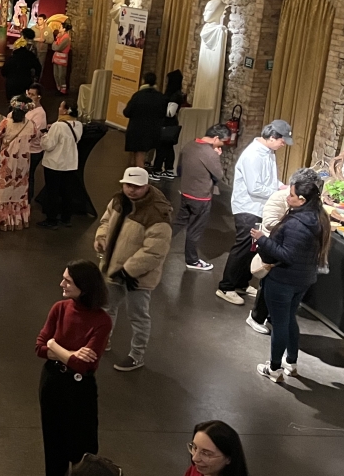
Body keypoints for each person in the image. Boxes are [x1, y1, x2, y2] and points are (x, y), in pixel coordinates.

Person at [35, 260, 112, 476]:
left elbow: (83, 364)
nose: (62, 284)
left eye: (67, 281)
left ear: (84, 287)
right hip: (52, 383)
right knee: (53, 447)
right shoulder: (59, 309)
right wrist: (67, 353)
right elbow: (39, 346)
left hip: (80, 390)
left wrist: (54, 345)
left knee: (83, 450)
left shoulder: (102, 321)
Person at [94, 167, 172, 372]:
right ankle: (104, 341)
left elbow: (155, 251)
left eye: (137, 187)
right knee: (107, 308)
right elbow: (105, 221)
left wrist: (128, 271)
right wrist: (101, 239)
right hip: (114, 268)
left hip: (138, 278)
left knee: (138, 316)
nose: (132, 190)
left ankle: (137, 355)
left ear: (146, 186)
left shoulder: (157, 212)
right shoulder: (118, 201)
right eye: (128, 185)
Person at [252, 171, 328, 383]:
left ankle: (274, 369)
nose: (287, 197)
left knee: (279, 323)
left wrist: (262, 240)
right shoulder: (319, 217)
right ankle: (291, 363)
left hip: (283, 280)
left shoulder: (296, 224)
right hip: (302, 280)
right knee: (289, 317)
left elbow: (287, 255)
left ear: (302, 200)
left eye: (291, 195)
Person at [216, 120, 291, 305]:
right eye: (283, 140)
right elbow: (255, 187)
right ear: (272, 137)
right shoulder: (253, 155)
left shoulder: (269, 152)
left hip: (260, 207)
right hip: (247, 207)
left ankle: (241, 282)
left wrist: (281, 185)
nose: (284, 144)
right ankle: (226, 287)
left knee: (253, 246)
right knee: (243, 247)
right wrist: (280, 192)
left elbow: (269, 179)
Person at [174, 124, 228, 271]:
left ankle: (158, 245)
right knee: (195, 229)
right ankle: (192, 260)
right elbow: (219, 174)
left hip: (185, 192)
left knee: (178, 223)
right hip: (201, 197)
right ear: (216, 138)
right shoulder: (209, 153)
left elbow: (179, 168)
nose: (224, 145)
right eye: (223, 141)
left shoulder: (189, 145)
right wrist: (217, 156)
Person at [0, 96, 39, 231]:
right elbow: (35, 137)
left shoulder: (6, 123)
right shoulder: (31, 125)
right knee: (19, 187)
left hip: (6, 160)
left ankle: (0, 218)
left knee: (3, 188)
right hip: (23, 162)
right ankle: (17, 219)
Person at [37, 101, 83, 229]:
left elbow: (48, 145)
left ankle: (51, 220)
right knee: (66, 192)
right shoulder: (78, 124)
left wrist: (45, 134)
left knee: (53, 192)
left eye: (60, 106)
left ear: (64, 110)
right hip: (70, 163)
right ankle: (66, 218)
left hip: (55, 164)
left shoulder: (58, 126)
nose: (58, 108)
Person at [122, 72, 166, 169]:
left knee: (138, 156)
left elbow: (127, 112)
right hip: (153, 131)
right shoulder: (160, 97)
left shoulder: (138, 96)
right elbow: (163, 114)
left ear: (143, 81)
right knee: (145, 155)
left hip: (137, 130)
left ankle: (137, 179)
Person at [152, 70, 187, 179]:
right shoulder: (176, 95)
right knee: (168, 147)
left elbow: (170, 112)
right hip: (170, 124)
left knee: (162, 147)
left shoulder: (174, 96)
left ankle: (157, 170)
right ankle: (168, 169)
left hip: (167, 124)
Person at [1, 28, 41, 100]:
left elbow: (4, 70)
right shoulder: (32, 50)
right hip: (26, 79)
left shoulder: (20, 49)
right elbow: (37, 66)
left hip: (13, 80)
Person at [26, 84, 48, 200]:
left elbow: (33, 133)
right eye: (28, 94)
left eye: (32, 95)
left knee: (29, 177)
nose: (29, 97)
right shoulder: (29, 108)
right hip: (25, 148)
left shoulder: (40, 114)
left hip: (33, 151)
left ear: (39, 97)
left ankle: (28, 200)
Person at [52, 20, 72, 94]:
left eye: (60, 27)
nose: (59, 28)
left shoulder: (66, 38)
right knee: (56, 74)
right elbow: (54, 46)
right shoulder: (59, 37)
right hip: (56, 58)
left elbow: (58, 48)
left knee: (61, 75)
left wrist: (55, 45)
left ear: (64, 29)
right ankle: (58, 88)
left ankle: (62, 90)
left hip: (62, 59)